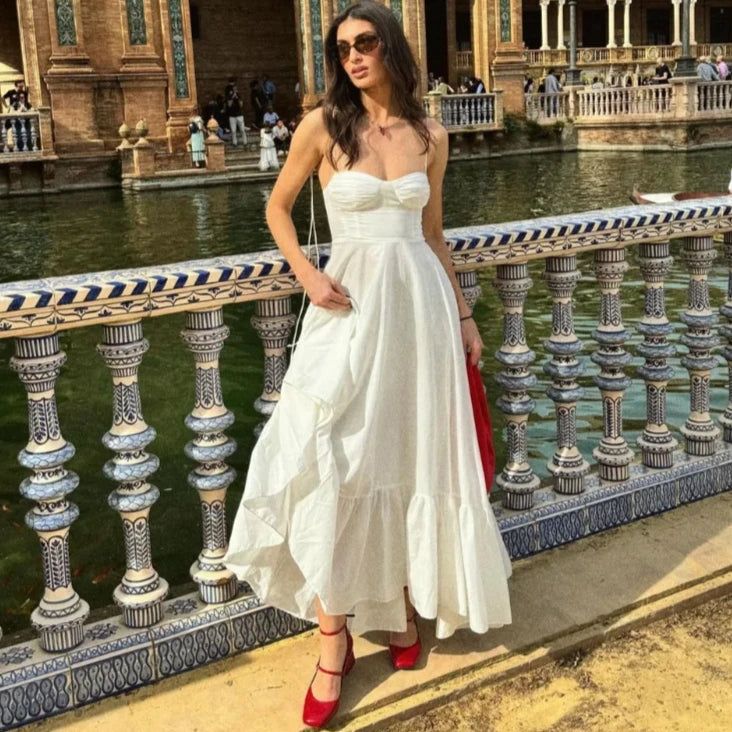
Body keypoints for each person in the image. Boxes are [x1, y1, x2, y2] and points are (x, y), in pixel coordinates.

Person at [222, 1, 512, 728]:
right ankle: (332, 641)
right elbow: (278, 209)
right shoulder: (323, 126)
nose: (352, 56)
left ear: (392, 48)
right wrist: (307, 277)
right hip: (347, 312)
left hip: (420, 318)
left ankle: (401, 611)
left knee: (407, 459)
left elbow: (434, 233)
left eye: (365, 43)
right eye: (342, 46)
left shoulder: (430, 134)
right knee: (334, 461)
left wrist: (467, 317)